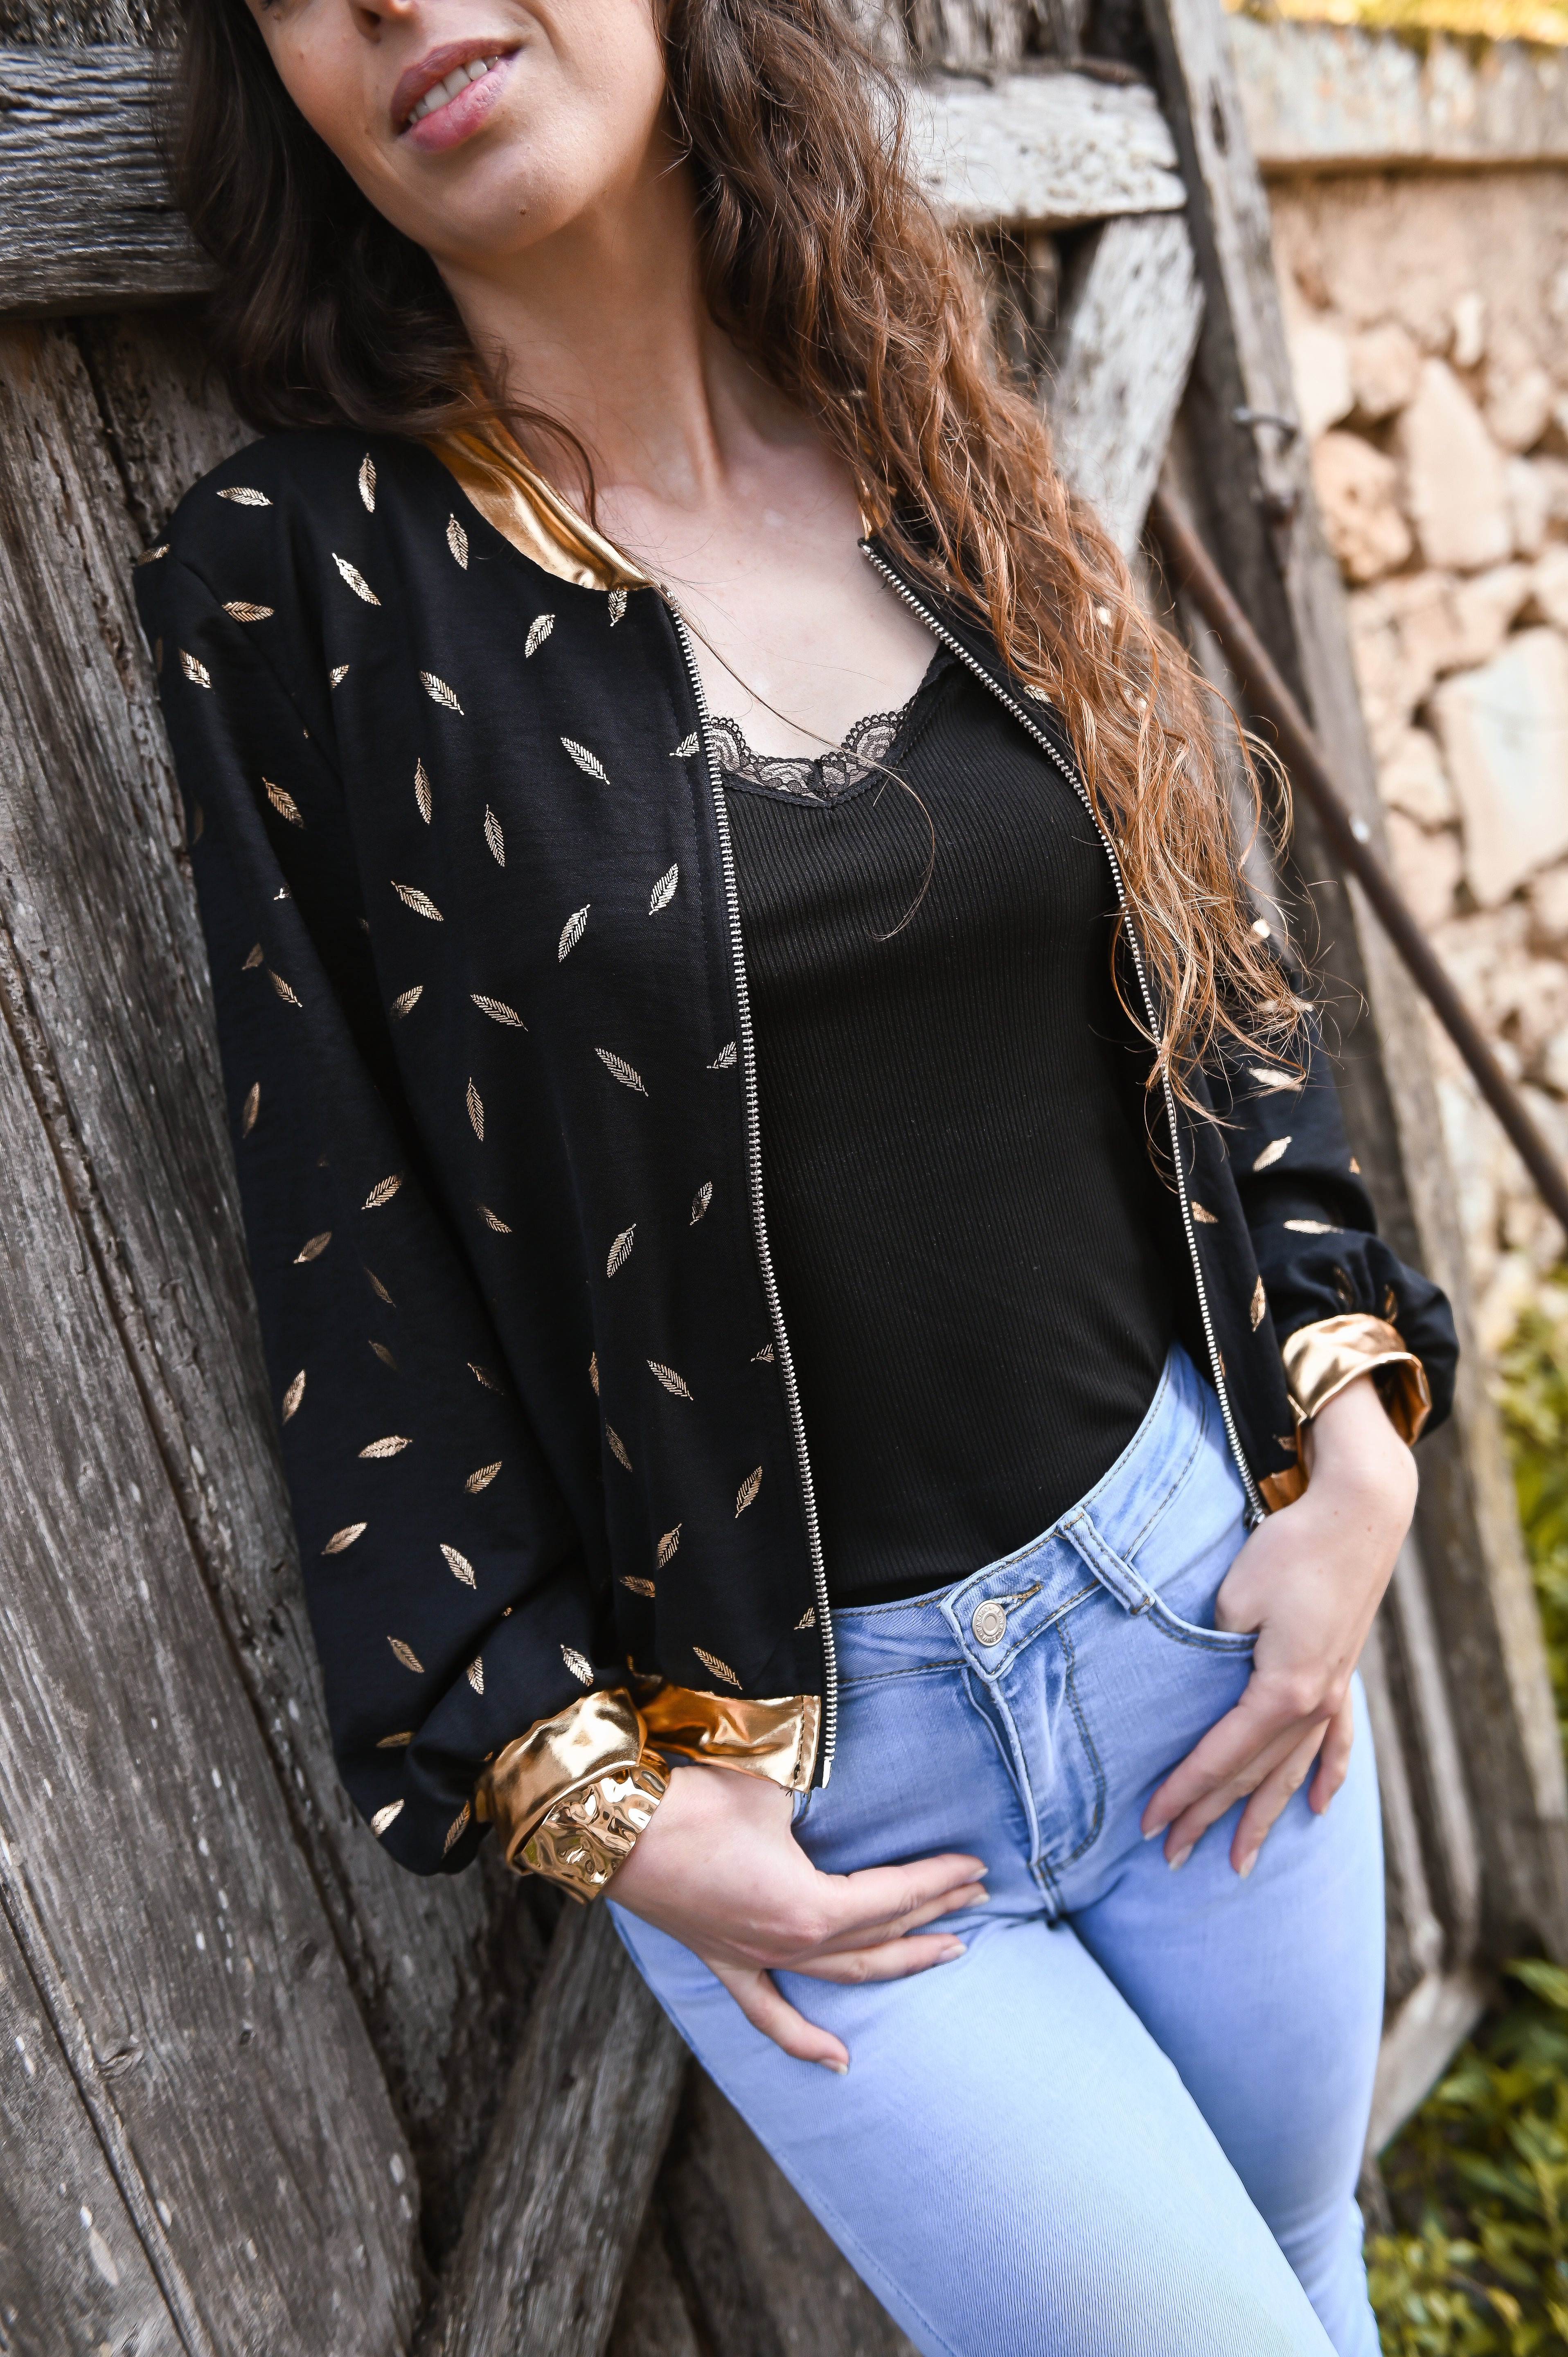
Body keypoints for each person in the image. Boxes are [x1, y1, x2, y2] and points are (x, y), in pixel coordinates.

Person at [137, 0, 1457, 2346]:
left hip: (1198, 1603)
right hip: (819, 1800)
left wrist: (1350, 1433)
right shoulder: (303, 580)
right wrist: (583, 1788)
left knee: (1308, 2263)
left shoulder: (912, 413)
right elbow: (345, 1244)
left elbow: (1204, 966)